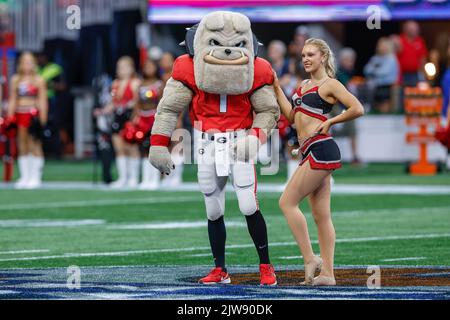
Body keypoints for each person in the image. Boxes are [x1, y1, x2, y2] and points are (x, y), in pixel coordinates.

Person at [273, 38, 364, 286]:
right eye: (303, 55)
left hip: (320, 148)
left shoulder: (330, 84)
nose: (305, 59)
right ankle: (328, 275)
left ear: (323, 57)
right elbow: (292, 117)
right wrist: (276, 87)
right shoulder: (302, 85)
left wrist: (332, 122)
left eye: (311, 54)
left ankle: (310, 259)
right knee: (321, 215)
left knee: (287, 202)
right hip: (311, 150)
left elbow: (357, 108)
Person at [96, 56, 140, 188]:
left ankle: (133, 178)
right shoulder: (115, 84)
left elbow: (138, 102)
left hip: (129, 117)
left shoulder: (135, 83)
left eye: (124, 67)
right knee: (119, 148)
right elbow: (113, 103)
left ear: (131, 68)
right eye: (119, 67)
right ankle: (123, 177)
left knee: (131, 147)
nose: (121, 70)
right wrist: (103, 111)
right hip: (117, 117)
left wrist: (135, 117)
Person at [7, 52, 48, 189]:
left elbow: (42, 100)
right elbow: (13, 99)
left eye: (30, 62)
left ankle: (35, 176)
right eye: (24, 62)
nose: (27, 65)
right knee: (22, 144)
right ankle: (25, 176)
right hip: (20, 113)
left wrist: (43, 117)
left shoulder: (39, 80)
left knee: (34, 144)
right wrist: (10, 116)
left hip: (33, 114)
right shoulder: (16, 80)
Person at [135, 59, 163, 189]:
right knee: (143, 147)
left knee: (154, 147)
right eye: (146, 66)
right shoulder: (140, 84)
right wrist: (135, 116)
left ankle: (155, 178)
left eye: (151, 66)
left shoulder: (159, 83)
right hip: (142, 117)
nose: (148, 68)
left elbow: (163, 101)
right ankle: (146, 178)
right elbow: (137, 102)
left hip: (154, 116)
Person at [364, 37, 399, 113]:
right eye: (379, 45)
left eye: (383, 45)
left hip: (387, 86)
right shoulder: (375, 58)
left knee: (384, 108)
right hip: (375, 86)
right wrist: (375, 70)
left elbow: (384, 72)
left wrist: (374, 70)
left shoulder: (391, 58)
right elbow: (366, 70)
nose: (381, 47)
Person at [392, 20, 428, 87]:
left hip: (415, 74)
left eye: (416, 29)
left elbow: (423, 58)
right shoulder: (399, 40)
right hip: (401, 74)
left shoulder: (420, 41)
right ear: (405, 29)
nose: (415, 30)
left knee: (415, 93)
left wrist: (423, 74)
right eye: (412, 29)